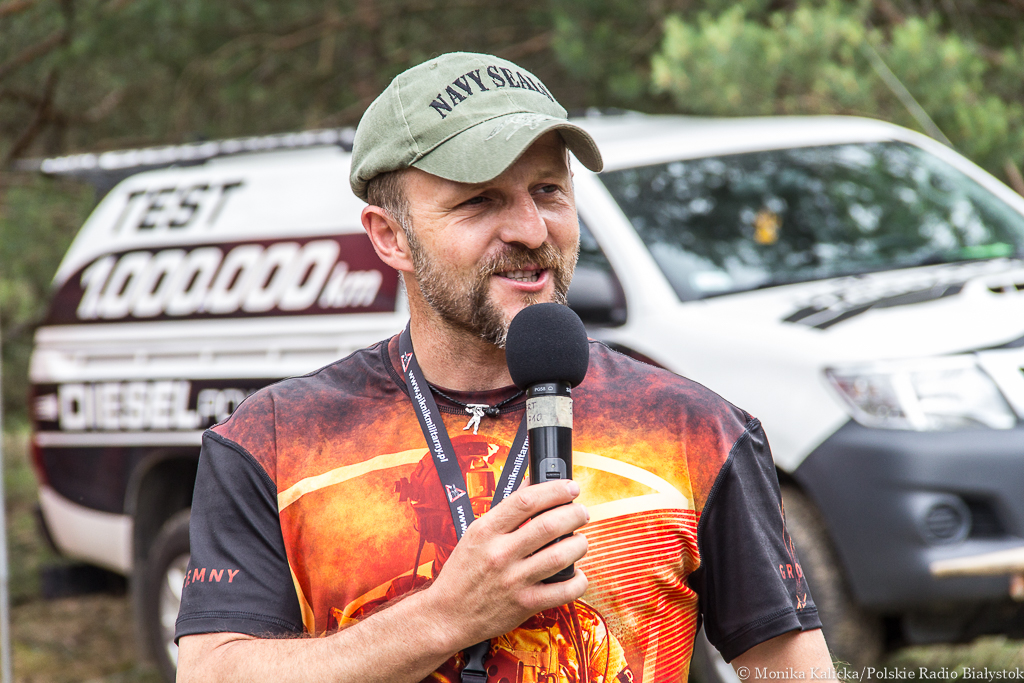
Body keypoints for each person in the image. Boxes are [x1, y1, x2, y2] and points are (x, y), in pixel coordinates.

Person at [175, 51, 834, 683]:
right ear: (390, 236)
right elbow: (211, 672)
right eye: (480, 201)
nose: (531, 229)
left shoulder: (694, 430)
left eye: (548, 190)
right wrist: (443, 618)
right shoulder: (274, 440)